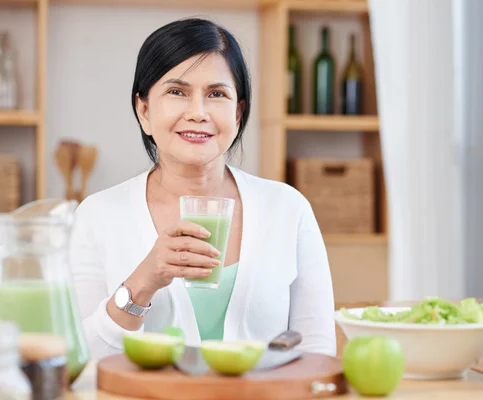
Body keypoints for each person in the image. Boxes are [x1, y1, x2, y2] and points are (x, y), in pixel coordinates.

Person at [68, 18, 336, 360]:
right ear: (144, 110)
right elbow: (78, 362)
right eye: (177, 92)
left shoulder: (287, 209)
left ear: (238, 113)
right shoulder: (97, 216)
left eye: (216, 94)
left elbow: (316, 355)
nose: (198, 112)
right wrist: (144, 281)